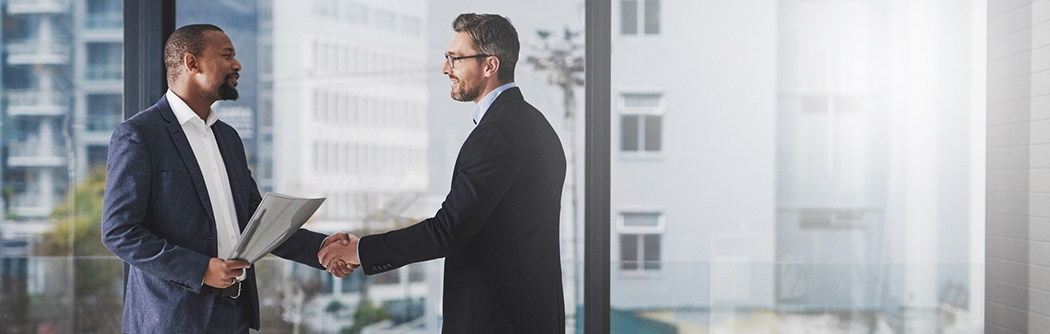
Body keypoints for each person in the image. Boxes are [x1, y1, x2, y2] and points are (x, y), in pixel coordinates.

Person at [319, 13, 567, 333]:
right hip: (528, 315)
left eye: (455, 58)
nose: (445, 68)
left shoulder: (497, 135)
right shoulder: (532, 124)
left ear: (489, 65)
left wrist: (358, 250)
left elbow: (447, 231)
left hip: (495, 320)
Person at [102, 24, 350, 333]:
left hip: (235, 312)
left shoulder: (228, 137)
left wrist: (323, 248)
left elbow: (256, 223)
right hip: (173, 319)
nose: (237, 65)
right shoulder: (139, 134)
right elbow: (119, 231)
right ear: (192, 64)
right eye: (227, 55)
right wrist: (201, 269)